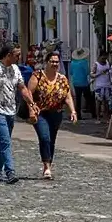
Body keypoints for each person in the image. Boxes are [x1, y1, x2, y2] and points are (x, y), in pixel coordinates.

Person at [0, 42, 36, 184]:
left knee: (3, 142)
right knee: (5, 141)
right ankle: (10, 172)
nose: (19, 57)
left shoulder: (15, 69)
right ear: (9, 55)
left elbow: (22, 89)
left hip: (10, 111)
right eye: (17, 55)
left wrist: (31, 104)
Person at [29, 50, 77, 180]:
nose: (55, 64)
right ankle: (46, 166)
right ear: (46, 62)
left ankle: (48, 163)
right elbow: (29, 94)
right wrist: (31, 110)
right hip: (40, 113)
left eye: (57, 62)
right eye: (52, 61)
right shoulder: (37, 76)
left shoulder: (62, 79)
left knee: (52, 140)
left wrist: (72, 111)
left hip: (56, 113)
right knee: (44, 137)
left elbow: (67, 96)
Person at [68, 47, 91, 120]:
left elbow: (71, 72)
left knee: (78, 99)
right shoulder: (84, 62)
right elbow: (87, 72)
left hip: (75, 82)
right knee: (88, 97)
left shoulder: (72, 63)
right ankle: (93, 112)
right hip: (84, 82)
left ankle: (78, 114)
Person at [93, 52, 112, 120]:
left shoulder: (108, 63)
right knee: (98, 102)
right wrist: (100, 74)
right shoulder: (96, 64)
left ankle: (106, 116)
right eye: (103, 58)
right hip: (99, 86)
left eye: (105, 58)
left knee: (107, 102)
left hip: (107, 85)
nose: (104, 59)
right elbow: (92, 74)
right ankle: (98, 117)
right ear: (100, 57)